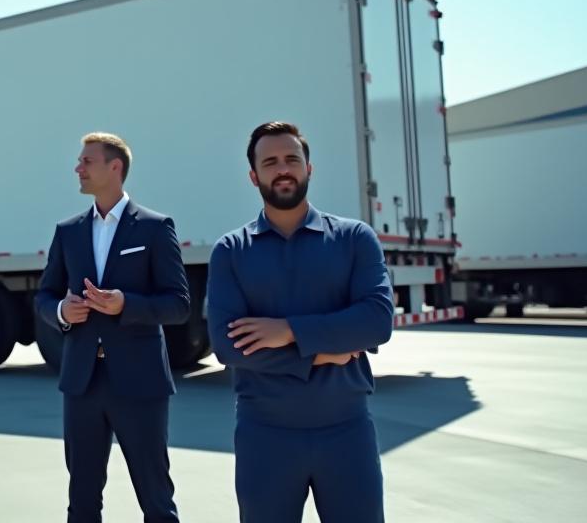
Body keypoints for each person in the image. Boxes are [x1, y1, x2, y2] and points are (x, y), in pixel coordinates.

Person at [208, 121, 394, 523]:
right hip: (265, 436)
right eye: (270, 161)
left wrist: (288, 331)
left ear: (309, 168)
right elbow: (227, 345)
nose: (283, 169)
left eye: (292, 159)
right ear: (254, 176)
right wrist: (324, 354)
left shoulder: (354, 239)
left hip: (347, 432)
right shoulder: (231, 250)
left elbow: (377, 320)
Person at [34, 132, 191, 523]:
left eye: (87, 161)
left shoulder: (154, 228)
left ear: (114, 167)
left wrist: (127, 305)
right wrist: (62, 312)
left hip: (140, 382)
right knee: (82, 499)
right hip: (82, 383)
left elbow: (178, 304)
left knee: (156, 498)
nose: (78, 168)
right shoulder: (68, 231)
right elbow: (44, 297)